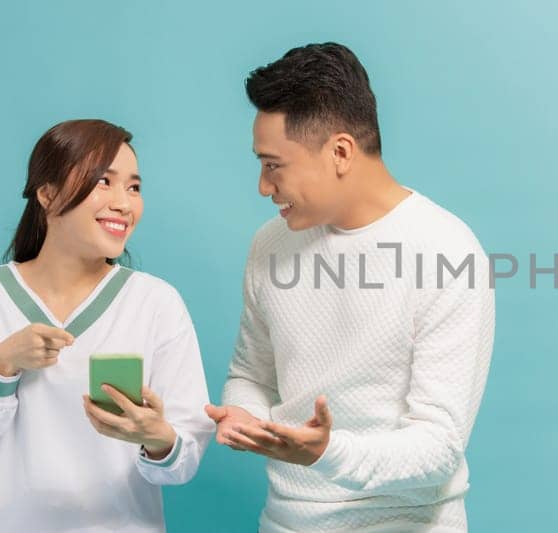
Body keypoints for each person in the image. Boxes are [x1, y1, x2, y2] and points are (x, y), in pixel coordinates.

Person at [203, 43, 496, 532]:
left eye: (273, 165)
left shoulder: (449, 251)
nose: (262, 185)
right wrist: (245, 415)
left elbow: (439, 446)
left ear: (340, 152)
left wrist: (327, 452)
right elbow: (252, 374)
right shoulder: (270, 245)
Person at [0, 119, 214, 532]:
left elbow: (182, 463)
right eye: (103, 182)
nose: (124, 204)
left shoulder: (155, 303)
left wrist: (157, 437)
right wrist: (0, 367)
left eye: (134, 187)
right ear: (48, 193)